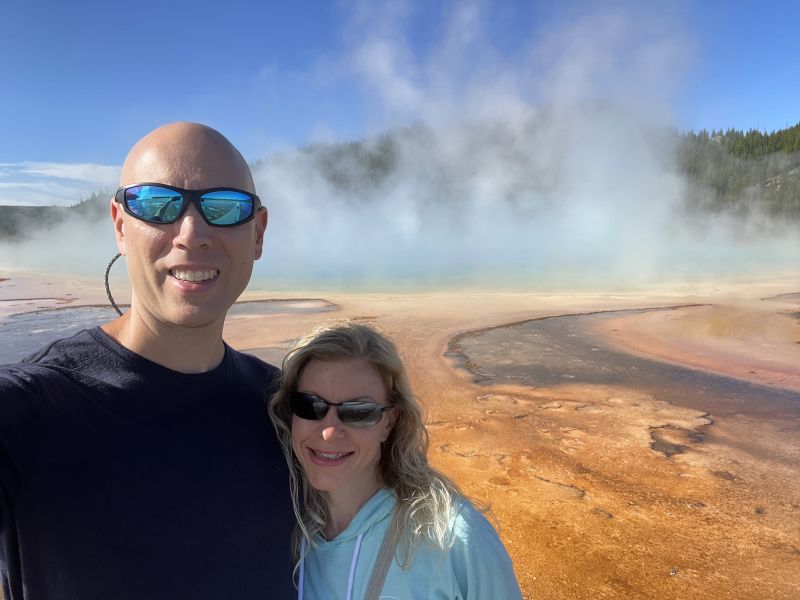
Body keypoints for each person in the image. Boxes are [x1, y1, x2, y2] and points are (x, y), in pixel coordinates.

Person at [0, 123, 294, 599]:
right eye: (158, 204)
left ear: (257, 233)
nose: (192, 234)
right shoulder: (30, 410)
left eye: (224, 207)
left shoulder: (289, 410)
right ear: (120, 225)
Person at [269, 321, 522, 599]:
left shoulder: (453, 540)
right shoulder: (281, 528)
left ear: (389, 422)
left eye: (359, 412)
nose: (328, 432)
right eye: (309, 405)